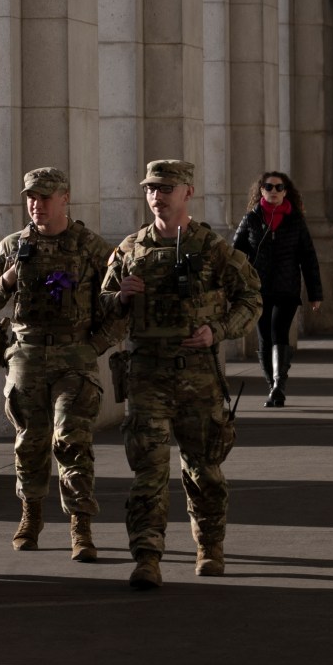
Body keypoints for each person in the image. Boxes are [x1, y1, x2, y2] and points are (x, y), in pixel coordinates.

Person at [101, 160, 262, 589]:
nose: (157, 196)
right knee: (148, 472)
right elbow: (102, 304)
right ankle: (147, 556)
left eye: (166, 188)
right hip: (147, 376)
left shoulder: (212, 248)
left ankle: (209, 547)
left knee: (204, 469)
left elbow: (251, 297)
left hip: (198, 377)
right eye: (151, 188)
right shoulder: (130, 248)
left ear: (187, 192)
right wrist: (120, 297)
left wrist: (218, 331)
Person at [0, 167, 123, 559]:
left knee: (72, 439)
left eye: (44, 197)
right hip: (27, 355)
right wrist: (9, 277)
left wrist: (97, 344)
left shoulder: (91, 247)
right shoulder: (11, 246)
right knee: (30, 442)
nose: (36, 204)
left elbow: (121, 303)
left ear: (64, 198)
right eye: (31, 197)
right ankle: (31, 516)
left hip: (75, 357)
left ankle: (81, 524)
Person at [232, 171, 323, 407]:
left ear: (285, 192)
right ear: (261, 190)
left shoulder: (295, 221)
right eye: (269, 187)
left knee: (278, 331)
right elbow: (235, 254)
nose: (274, 191)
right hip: (258, 289)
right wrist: (234, 286)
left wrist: (315, 294)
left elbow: (308, 258)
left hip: (287, 288)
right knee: (264, 336)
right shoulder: (251, 219)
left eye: (279, 187)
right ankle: (271, 385)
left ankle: (278, 385)